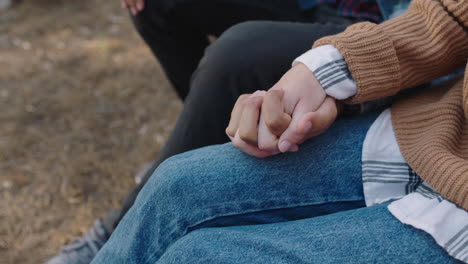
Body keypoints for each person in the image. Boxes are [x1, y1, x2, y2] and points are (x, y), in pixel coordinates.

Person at [87, 0, 468, 262]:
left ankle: (114, 227)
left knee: (199, 256)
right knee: (177, 184)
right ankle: (124, 222)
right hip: (443, 130)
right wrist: (322, 72)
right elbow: (453, 15)